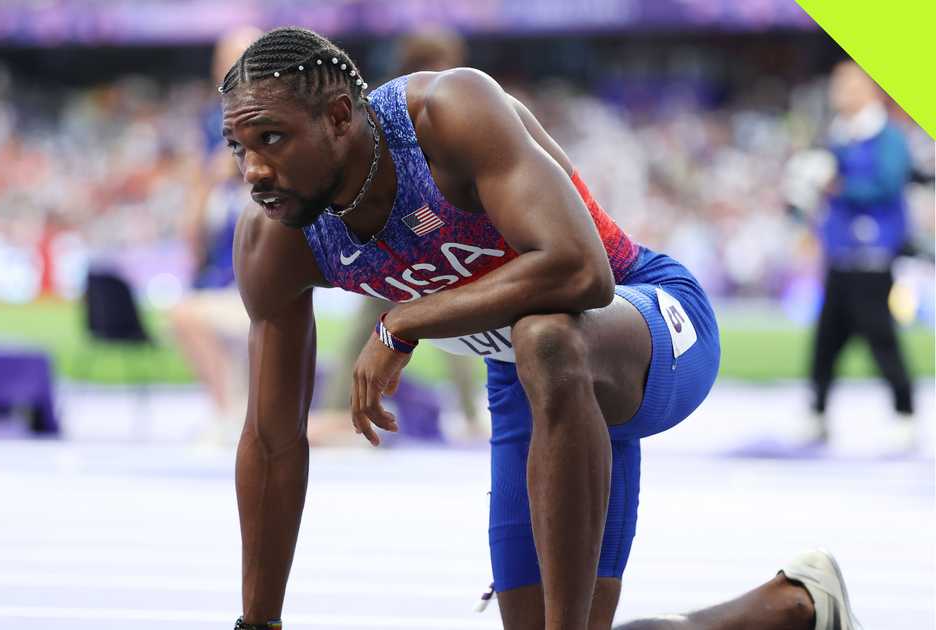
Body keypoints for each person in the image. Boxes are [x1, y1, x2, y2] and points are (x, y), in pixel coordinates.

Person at [221, 28, 860, 630]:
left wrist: (403, 320)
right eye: (239, 148)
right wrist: (258, 621)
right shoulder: (276, 237)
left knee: (546, 334)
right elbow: (273, 444)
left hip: (645, 320)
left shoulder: (447, 114)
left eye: (272, 139)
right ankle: (792, 607)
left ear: (337, 118)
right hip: (532, 382)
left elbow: (582, 273)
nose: (252, 172)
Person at [314, 26, 485, 442]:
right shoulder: (411, 107)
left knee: (440, 320)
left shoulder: (407, 103)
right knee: (420, 319)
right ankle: (339, 413)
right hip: (407, 229)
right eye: (447, 64)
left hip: (409, 231)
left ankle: (340, 411)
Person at [806, 60, 915, 446]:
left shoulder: (888, 137)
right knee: (826, 340)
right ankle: (817, 413)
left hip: (873, 254)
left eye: (847, 85)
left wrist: (839, 185)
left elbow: (887, 183)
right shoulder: (838, 135)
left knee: (880, 336)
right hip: (840, 254)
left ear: (869, 90)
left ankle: (905, 414)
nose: (839, 93)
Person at [168, 26, 262, 439]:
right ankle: (229, 411)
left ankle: (231, 415)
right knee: (190, 313)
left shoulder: (279, 119)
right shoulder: (212, 124)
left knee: (188, 316)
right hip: (224, 277)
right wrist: (206, 182)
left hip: (263, 283)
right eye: (223, 62)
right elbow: (193, 229)